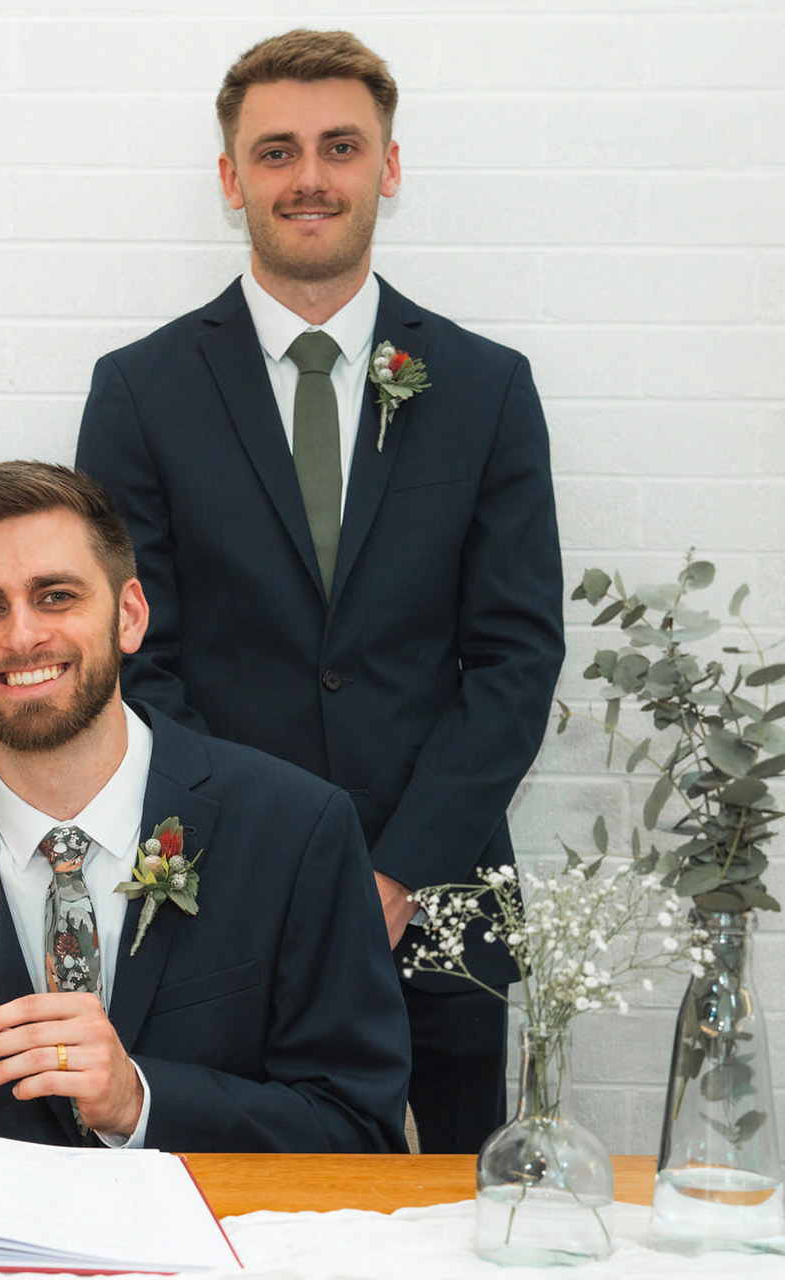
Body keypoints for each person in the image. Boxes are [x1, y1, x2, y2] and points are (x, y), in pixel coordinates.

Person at [73, 29, 564, 1153]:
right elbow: (134, 655)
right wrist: (271, 863)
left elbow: (515, 657)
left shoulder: (487, 388)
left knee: (454, 1204)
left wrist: (395, 871)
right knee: (226, 1188)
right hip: (220, 895)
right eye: (276, 150)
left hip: (442, 895)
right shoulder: (140, 391)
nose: (309, 177)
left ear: (388, 167)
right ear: (231, 177)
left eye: (341, 146)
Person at [0, 462, 409, 1152]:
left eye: (55, 596)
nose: (22, 636)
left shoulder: (296, 830)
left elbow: (359, 1131)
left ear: (130, 616)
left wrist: (141, 1102)